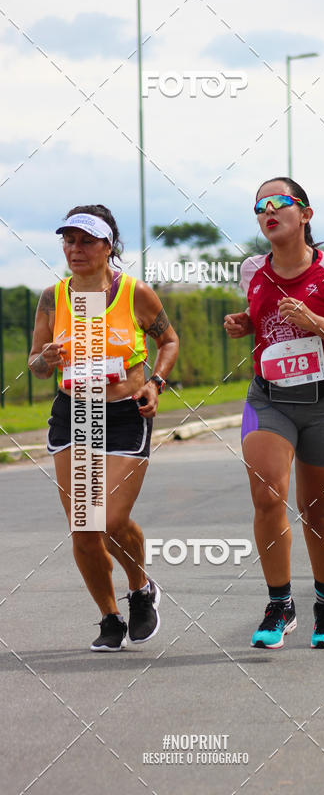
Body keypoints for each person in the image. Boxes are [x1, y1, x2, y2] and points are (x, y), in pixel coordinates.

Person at [224, 178, 324, 648]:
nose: (268, 211)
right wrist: (242, 322)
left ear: (305, 214)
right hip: (270, 399)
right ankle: (279, 602)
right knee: (267, 496)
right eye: (259, 206)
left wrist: (317, 323)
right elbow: (260, 320)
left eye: (279, 203)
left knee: (317, 513)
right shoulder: (251, 269)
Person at [28, 205, 179, 651]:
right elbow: (35, 363)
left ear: (108, 246)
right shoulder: (53, 298)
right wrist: (46, 361)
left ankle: (141, 587)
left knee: (111, 519)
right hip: (74, 413)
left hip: (124, 415)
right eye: (69, 240)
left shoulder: (134, 293)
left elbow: (168, 339)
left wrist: (156, 381)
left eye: (86, 240)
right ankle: (109, 616)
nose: (76, 249)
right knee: (84, 527)